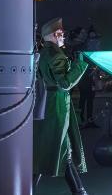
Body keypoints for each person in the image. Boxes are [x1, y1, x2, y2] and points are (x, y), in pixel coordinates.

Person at [33, 18, 90, 195]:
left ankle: (79, 191)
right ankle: (79, 192)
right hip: (57, 103)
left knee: (48, 150)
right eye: (60, 34)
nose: (63, 36)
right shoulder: (56, 54)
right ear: (52, 36)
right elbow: (65, 83)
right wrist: (79, 65)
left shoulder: (44, 53)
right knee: (63, 150)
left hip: (47, 102)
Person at [78, 29, 102, 128]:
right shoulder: (84, 50)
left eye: (94, 38)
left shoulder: (94, 50)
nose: (93, 40)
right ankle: (81, 120)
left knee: (90, 100)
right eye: (91, 38)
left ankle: (89, 120)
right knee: (83, 99)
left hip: (91, 78)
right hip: (84, 78)